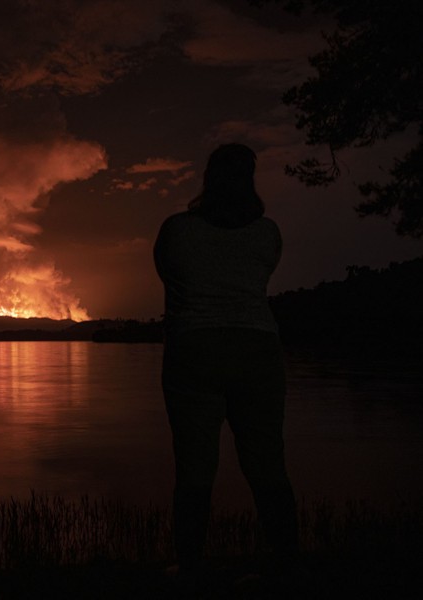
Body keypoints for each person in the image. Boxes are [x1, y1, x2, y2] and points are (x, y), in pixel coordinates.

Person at [153, 143, 298, 575]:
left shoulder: (177, 230)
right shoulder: (267, 233)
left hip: (193, 350)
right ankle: (288, 562)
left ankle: (190, 565)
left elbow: (170, 279)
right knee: (267, 461)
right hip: (257, 350)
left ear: (207, 179)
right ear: (249, 180)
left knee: (194, 465)